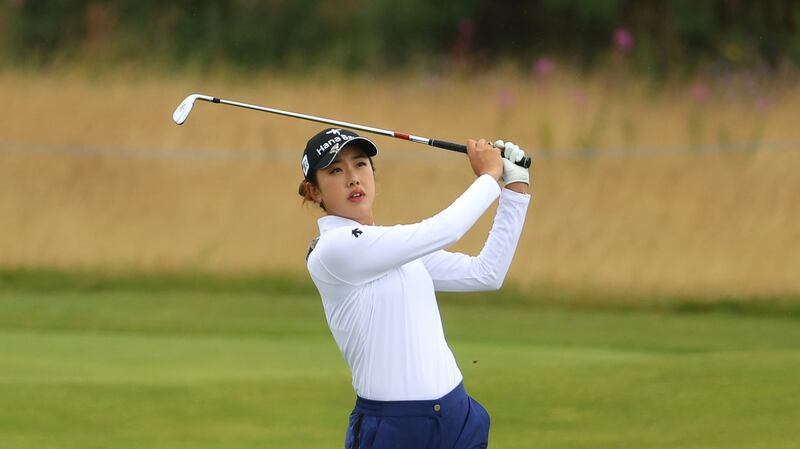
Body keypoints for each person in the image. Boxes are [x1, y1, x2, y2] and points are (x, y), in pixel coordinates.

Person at [298, 127, 531, 449]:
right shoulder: (334, 250)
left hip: (458, 415)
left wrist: (516, 188)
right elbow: (447, 229)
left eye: (360, 164)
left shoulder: (394, 247)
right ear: (314, 192)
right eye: (335, 170)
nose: (353, 178)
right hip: (394, 428)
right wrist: (489, 176)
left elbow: (486, 273)